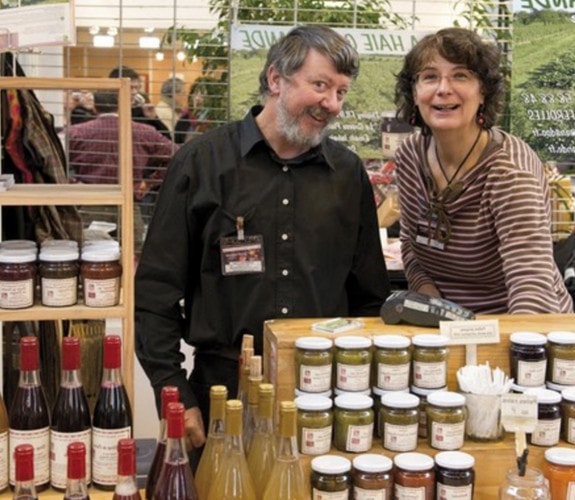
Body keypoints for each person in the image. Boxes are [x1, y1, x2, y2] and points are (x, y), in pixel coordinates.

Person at [135, 24, 390, 467]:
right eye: (321, 85)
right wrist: (172, 391)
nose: (332, 104)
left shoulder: (347, 176)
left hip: (321, 396)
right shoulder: (202, 164)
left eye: (342, 93)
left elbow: (368, 297)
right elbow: (156, 291)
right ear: (276, 79)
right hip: (222, 393)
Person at [394, 27, 573, 314]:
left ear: (483, 92)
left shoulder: (509, 173)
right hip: (447, 328)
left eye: (460, 75)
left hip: (514, 327)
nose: (443, 88)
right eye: (429, 77)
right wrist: (437, 310)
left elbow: (532, 292)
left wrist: (508, 350)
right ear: (414, 93)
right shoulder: (409, 156)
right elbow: (410, 246)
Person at [67, 90, 178, 255]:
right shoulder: (144, 132)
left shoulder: (75, 133)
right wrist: (149, 183)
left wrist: (74, 184)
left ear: (95, 106)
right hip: (129, 207)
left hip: (90, 207)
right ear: (124, 105)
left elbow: (55, 163)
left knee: (90, 260)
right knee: (131, 262)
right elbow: (176, 155)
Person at [108, 65, 172, 140]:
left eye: (137, 88)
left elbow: (166, 140)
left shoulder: (141, 111)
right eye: (130, 88)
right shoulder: (105, 109)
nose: (134, 92)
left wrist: (154, 119)